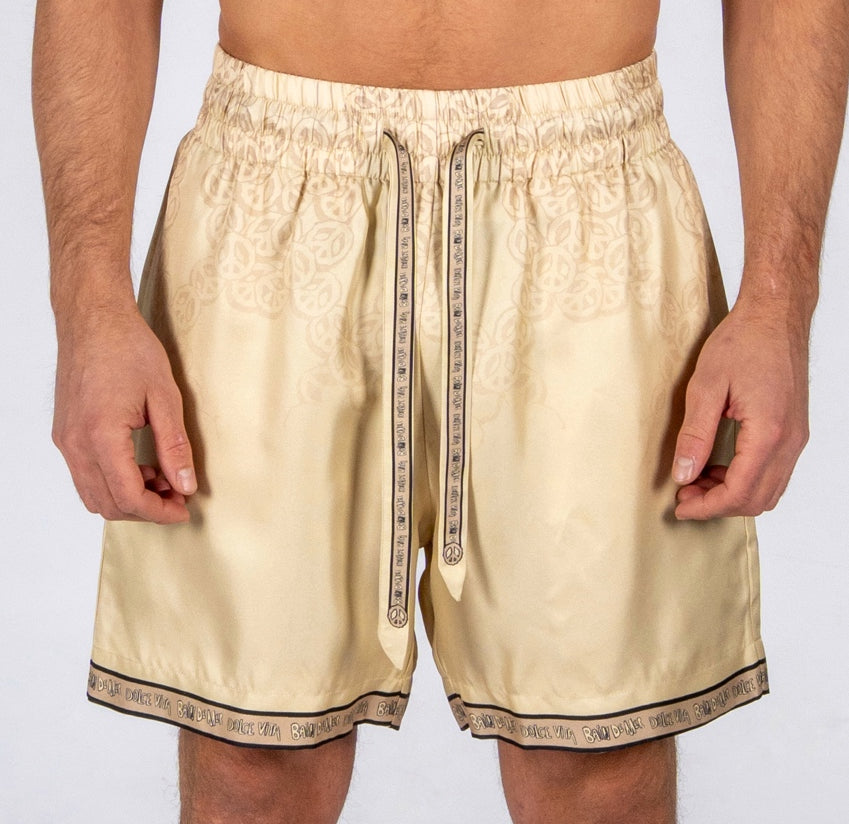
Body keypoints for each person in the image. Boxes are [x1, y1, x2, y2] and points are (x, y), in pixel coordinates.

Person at [32, 0, 848, 821]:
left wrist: (778, 306)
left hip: (591, 209)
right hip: (271, 205)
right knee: (251, 760)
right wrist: (88, 305)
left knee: (599, 764)